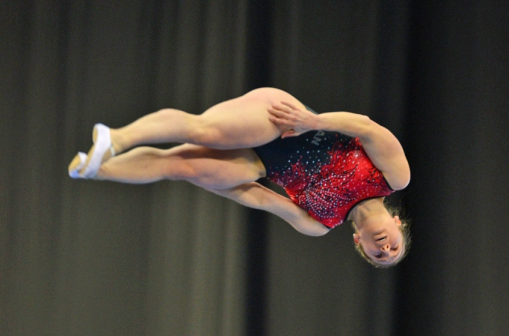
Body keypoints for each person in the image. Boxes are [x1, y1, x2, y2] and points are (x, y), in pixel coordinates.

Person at [68, 87, 411, 266]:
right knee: (206, 131)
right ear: (397, 223)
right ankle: (117, 139)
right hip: (288, 121)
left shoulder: (320, 223)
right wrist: (314, 121)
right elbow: (366, 127)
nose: (385, 247)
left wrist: (219, 184)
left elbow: (260, 197)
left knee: (181, 167)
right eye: (394, 246)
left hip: (260, 163)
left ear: (359, 243)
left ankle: (97, 168)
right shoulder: (393, 178)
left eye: (379, 254)